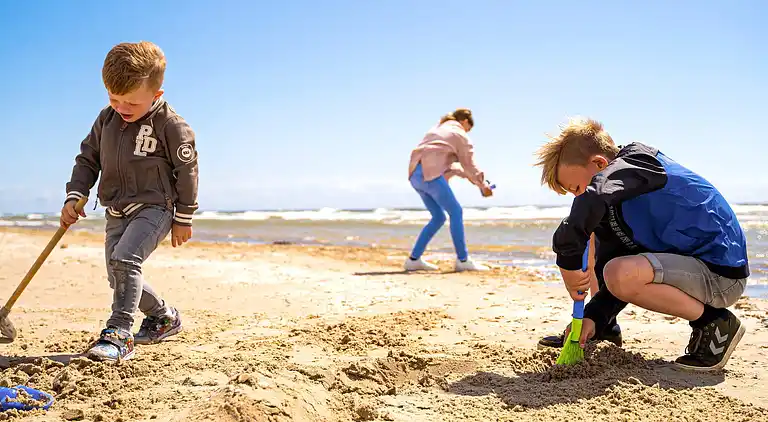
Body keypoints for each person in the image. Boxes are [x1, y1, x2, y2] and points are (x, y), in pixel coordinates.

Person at [533, 117, 748, 371]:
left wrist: (567, 260)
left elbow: (593, 200)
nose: (577, 198)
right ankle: (603, 329)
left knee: (613, 266)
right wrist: (594, 316)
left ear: (600, 165)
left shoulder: (640, 163)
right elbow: (610, 267)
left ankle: (716, 324)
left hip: (721, 273)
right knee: (604, 257)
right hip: (687, 269)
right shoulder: (611, 205)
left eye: (578, 188)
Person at [60, 41, 199, 362]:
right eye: (113, 98)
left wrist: (184, 217)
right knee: (117, 273)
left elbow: (187, 169)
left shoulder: (170, 125)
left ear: (156, 95)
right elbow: (87, 159)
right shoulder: (106, 120)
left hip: (156, 206)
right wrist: (76, 193)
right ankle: (164, 317)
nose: (120, 106)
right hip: (116, 209)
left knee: (125, 261)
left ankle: (119, 333)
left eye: (130, 102)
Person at [405, 108, 494, 272]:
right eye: (469, 128)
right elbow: (469, 164)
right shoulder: (459, 133)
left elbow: (455, 168)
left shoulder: (437, 129)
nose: (468, 132)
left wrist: (478, 183)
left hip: (415, 175)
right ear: (465, 122)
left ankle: (413, 259)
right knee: (456, 212)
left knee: (438, 217)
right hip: (429, 174)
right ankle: (463, 260)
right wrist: (483, 185)